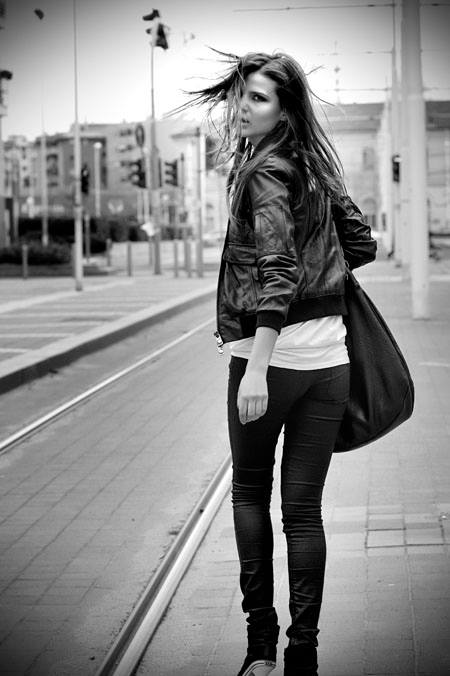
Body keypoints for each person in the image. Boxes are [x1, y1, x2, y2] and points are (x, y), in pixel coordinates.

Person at [185, 52, 377, 676]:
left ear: (284, 109)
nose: (243, 107)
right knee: (303, 510)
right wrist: (320, 277)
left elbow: (277, 270)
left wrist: (257, 369)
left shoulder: (264, 172)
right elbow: (361, 243)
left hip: (268, 360)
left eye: (258, 98)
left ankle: (262, 649)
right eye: (241, 95)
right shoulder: (315, 167)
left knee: (249, 492)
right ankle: (304, 655)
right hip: (330, 361)